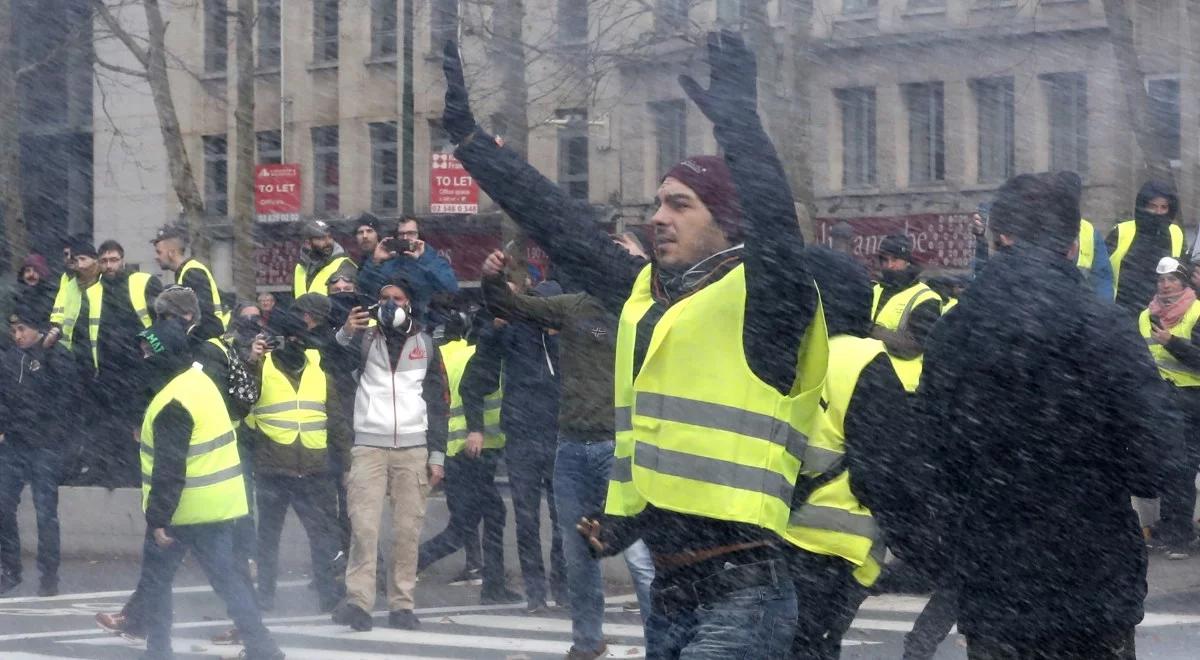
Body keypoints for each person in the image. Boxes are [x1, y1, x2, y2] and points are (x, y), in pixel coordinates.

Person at [444, 31, 824, 658]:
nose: (658, 217)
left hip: (743, 593)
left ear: (728, 221)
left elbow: (777, 223)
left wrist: (739, 129)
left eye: (680, 204)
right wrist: (471, 144)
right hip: (676, 588)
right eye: (657, 204)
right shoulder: (655, 296)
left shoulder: (769, 297)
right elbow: (559, 223)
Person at [917, 171, 1177, 659]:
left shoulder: (955, 331)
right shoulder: (1106, 328)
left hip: (995, 582)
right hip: (1093, 580)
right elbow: (1158, 462)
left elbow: (931, 461)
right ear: (1073, 244)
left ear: (1001, 237)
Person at [478, 242, 657, 658]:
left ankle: (661, 645)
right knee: (580, 557)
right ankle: (587, 643)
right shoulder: (574, 306)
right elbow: (511, 305)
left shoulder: (646, 312)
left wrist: (645, 265)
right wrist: (489, 276)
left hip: (622, 448)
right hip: (572, 448)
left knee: (640, 561)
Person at [134, 287, 283, 660]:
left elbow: (170, 466)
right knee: (229, 581)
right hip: (218, 504)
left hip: (183, 506)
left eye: (150, 355)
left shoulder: (171, 401)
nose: (144, 361)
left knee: (156, 582)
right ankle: (261, 645)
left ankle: (158, 651)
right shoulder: (200, 382)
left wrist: (158, 519)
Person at [784, 246, 908, 660]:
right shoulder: (863, 359)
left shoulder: (786, 352)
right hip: (839, 542)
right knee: (817, 645)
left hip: (770, 534)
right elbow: (884, 467)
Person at [331, 275, 449, 632]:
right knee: (364, 529)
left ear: (409, 303)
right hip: (369, 446)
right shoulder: (365, 339)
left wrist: (437, 455)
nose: (390, 304)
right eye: (384, 298)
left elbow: (439, 402)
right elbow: (333, 365)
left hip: (413, 448)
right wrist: (345, 333)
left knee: (406, 532)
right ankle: (359, 603)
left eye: (398, 298)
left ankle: (401, 604)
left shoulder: (426, 344)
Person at [463, 264, 566, 614]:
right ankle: (537, 593)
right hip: (522, 434)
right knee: (526, 519)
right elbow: (481, 368)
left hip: (559, 433)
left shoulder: (567, 337)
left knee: (562, 517)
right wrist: (495, 327)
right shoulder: (515, 331)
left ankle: (562, 587)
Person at [244, 305, 349, 613]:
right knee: (268, 539)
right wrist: (251, 361)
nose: (294, 343)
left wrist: (347, 464)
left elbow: (336, 419)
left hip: (315, 468)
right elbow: (241, 399)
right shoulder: (260, 366)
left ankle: (327, 595)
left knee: (322, 538)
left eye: (298, 337)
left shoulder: (318, 368)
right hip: (272, 468)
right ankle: (265, 595)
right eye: (286, 337)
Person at [416, 305, 521, 604]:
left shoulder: (443, 355)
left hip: (453, 449)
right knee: (469, 524)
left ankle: (492, 585)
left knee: (469, 523)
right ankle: (412, 564)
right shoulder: (478, 355)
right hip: (472, 449)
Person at [0, 303, 77, 596]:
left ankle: (49, 574)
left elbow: (65, 395)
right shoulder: (9, 359)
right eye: (13, 330)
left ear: (38, 329)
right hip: (15, 444)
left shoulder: (56, 355)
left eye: (23, 329)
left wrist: (44, 354)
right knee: (3, 506)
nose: (17, 335)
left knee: (46, 512)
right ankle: (10, 569)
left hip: (45, 444)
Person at [84, 240, 163, 488]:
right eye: (105, 261)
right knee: (115, 426)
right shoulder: (93, 292)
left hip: (140, 367)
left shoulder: (141, 282)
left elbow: (160, 321)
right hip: (108, 370)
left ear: (123, 259)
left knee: (141, 425)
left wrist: (155, 352)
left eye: (114, 259)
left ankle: (139, 474)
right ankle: (117, 473)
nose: (109, 265)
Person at [1139, 256, 1200, 559]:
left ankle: (1181, 534)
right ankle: (1169, 527)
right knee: (1165, 468)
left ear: (1185, 281)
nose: (1165, 285)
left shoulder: (1197, 311)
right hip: (1159, 402)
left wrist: (1173, 343)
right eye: (1161, 280)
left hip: (1191, 401)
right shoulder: (1145, 315)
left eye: (1173, 279)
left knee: (1182, 470)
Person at [870, 234, 942, 393]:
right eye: (885, 260)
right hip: (871, 383)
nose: (890, 265)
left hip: (904, 387)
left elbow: (912, 346)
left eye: (895, 259)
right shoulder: (874, 291)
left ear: (907, 260)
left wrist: (870, 330)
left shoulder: (925, 298)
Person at [1108, 180, 1185, 314]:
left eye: (1163, 207)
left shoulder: (1175, 233)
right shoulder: (1121, 232)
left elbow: (1183, 272)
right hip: (1122, 310)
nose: (1158, 212)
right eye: (1152, 206)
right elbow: (1101, 271)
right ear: (1143, 206)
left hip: (1164, 314)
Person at [357, 217, 458, 318]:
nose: (405, 238)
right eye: (401, 234)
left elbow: (450, 287)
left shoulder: (432, 258)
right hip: (392, 319)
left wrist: (422, 259)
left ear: (420, 236)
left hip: (425, 321)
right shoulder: (390, 260)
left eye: (411, 233)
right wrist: (376, 261)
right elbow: (365, 289)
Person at [152, 224, 229, 339]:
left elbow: (201, 313)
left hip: (208, 338)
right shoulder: (187, 271)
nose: (155, 257)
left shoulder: (192, 272)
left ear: (171, 253)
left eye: (159, 252)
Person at [294, 219, 357, 298]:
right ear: (308, 243)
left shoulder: (344, 265)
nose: (328, 242)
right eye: (321, 238)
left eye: (330, 237)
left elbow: (346, 303)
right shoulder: (300, 268)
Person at [46, 241, 83, 351]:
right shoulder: (65, 278)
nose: (69, 258)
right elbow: (60, 307)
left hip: (79, 340)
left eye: (72, 254)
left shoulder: (84, 279)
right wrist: (55, 327)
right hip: (65, 344)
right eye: (66, 254)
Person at [13, 254, 55, 326]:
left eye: (36, 271)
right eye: (27, 271)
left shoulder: (52, 297)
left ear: (42, 273)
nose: (31, 274)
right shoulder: (15, 298)